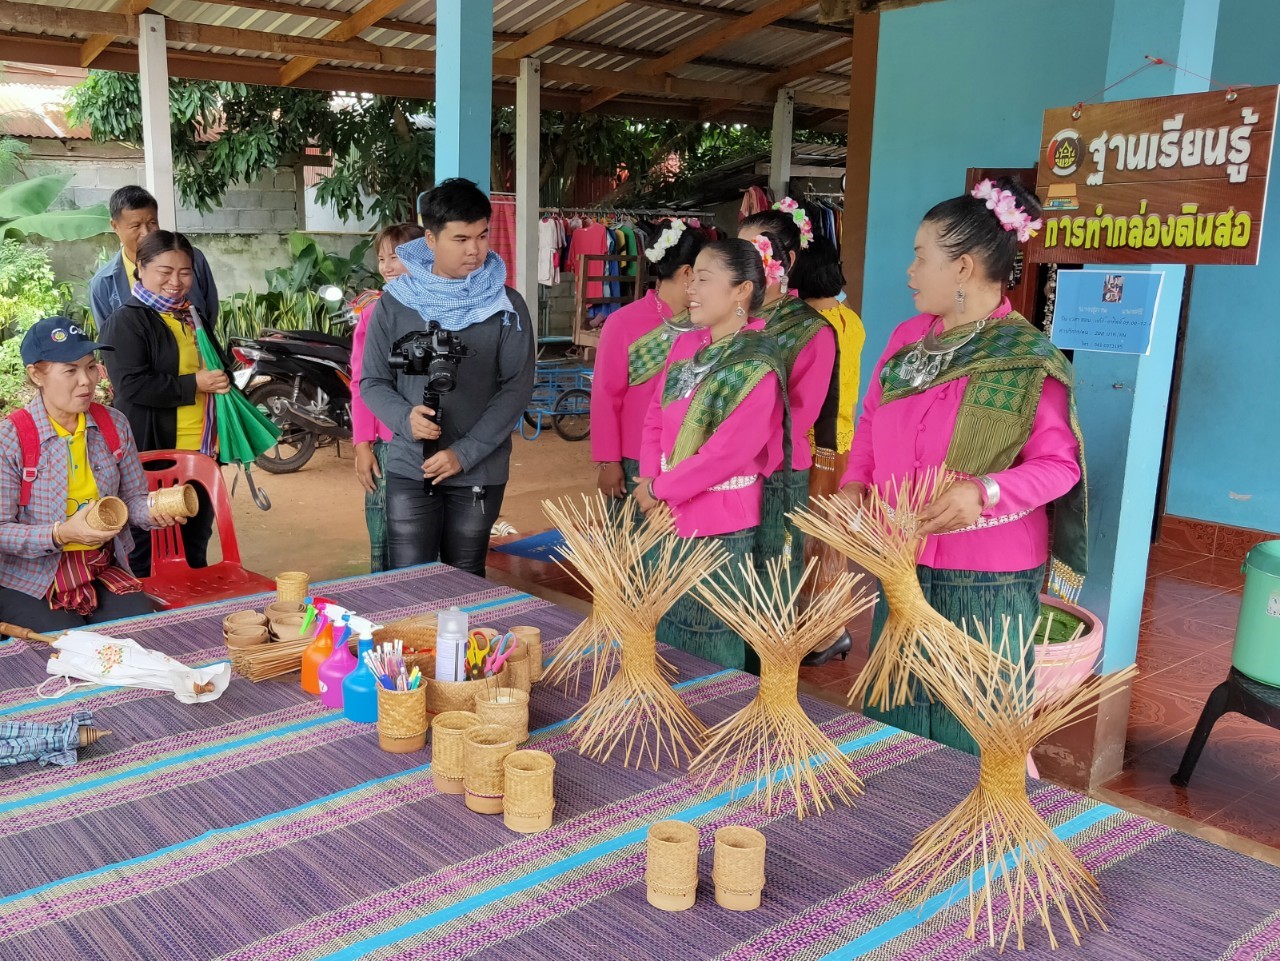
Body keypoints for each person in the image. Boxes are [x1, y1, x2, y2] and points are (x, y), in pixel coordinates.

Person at [841, 177, 1087, 754]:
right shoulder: (908, 339)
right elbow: (872, 418)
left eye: (920, 257)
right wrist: (855, 483)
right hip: (901, 557)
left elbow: (1060, 466)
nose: (909, 271)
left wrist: (985, 492)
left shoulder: (1024, 357)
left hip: (988, 575)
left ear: (963, 268)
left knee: (971, 724)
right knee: (896, 714)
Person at [360, 179, 535, 578]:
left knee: (465, 579)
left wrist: (464, 453)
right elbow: (372, 380)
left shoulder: (506, 306)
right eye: (460, 239)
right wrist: (405, 419)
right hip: (411, 466)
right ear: (431, 240)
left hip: (479, 470)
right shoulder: (396, 302)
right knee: (410, 580)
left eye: (482, 236)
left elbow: (516, 388)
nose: (475, 249)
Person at [634, 239, 786, 672]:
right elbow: (655, 417)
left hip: (721, 526)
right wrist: (650, 482)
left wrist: (658, 489)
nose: (691, 289)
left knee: (710, 643)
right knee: (664, 634)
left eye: (703, 279)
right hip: (666, 513)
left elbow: (726, 455)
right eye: (691, 278)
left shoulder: (756, 361)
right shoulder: (688, 346)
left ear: (741, 290)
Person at [0, 318, 185, 631]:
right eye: (70, 370)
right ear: (36, 375)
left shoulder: (114, 424)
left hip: (99, 567)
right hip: (29, 579)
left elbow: (132, 500)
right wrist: (61, 534)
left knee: (141, 633)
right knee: (67, 645)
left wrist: (156, 511)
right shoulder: (11, 438)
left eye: (90, 366)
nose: (86, 381)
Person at [101, 230, 231, 577]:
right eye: (165, 271)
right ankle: (144, 610)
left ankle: (193, 610)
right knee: (147, 549)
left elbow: (216, 365)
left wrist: (222, 377)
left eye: (185, 272)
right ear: (141, 268)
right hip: (154, 454)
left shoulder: (191, 316)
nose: (176, 281)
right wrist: (196, 383)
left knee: (195, 545)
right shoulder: (125, 322)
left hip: (201, 453)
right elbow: (130, 385)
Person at [737, 205, 838, 597]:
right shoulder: (730, 318)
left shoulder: (811, 330)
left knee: (771, 582)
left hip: (775, 471)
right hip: (721, 467)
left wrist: (730, 446)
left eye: (752, 254)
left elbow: (798, 415)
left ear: (788, 260)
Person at [790, 235, 867, 665]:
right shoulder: (849, 319)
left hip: (816, 445)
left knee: (816, 538)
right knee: (827, 537)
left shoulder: (808, 326)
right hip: (841, 443)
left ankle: (828, 631)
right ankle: (824, 626)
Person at [591, 219, 704, 498]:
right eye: (706, 274)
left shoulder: (707, 322)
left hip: (692, 459)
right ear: (688, 273)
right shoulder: (622, 323)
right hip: (635, 458)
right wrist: (608, 460)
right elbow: (606, 395)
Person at [350, 221, 426, 573]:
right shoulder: (373, 313)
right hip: (387, 444)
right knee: (387, 534)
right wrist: (362, 444)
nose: (387, 267)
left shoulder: (448, 309)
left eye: (396, 257)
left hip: (434, 442)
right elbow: (361, 382)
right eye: (382, 259)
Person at [89, 186, 219, 336]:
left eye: (152, 223)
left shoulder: (192, 259)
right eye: (136, 226)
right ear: (115, 226)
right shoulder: (104, 284)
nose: (146, 233)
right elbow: (109, 338)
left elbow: (210, 311)